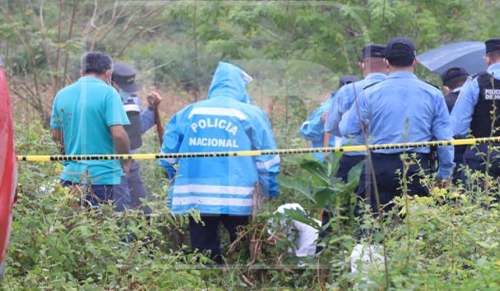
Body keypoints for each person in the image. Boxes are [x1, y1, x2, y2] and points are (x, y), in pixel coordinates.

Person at [159, 62, 280, 263]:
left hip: (196, 196)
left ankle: (206, 284)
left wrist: (177, 183)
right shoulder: (251, 114)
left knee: (203, 250)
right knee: (241, 245)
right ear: (239, 87)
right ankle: (243, 280)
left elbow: (167, 159)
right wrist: (268, 190)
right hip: (239, 195)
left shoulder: (188, 113)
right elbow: (267, 160)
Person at [340, 37, 454, 216]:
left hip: (378, 166)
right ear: (415, 62)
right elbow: (444, 139)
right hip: (417, 165)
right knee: (417, 226)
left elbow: (347, 129)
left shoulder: (369, 93)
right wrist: (444, 172)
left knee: (370, 223)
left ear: (386, 63)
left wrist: (369, 136)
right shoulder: (433, 94)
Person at [50, 51, 131, 211]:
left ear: (82, 71)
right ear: (109, 73)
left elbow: (56, 136)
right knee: (115, 232)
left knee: (74, 231)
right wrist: (126, 160)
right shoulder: (109, 93)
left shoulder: (61, 94)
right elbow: (118, 134)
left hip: (70, 178)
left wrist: (68, 160)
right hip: (106, 178)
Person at [450, 38, 500, 197]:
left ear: (487, 59)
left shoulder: (476, 82)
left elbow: (457, 128)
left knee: (481, 209)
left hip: (482, 155)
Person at [325, 44, 388, 182]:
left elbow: (330, 127)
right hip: (388, 158)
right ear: (387, 62)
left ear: (362, 65)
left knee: (347, 201)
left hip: (352, 156)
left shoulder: (347, 90)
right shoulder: (396, 90)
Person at [111, 62, 162, 213]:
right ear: (112, 84)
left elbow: (138, 129)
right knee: (118, 214)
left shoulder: (132, 101)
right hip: (110, 165)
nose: (128, 93)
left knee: (145, 212)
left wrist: (152, 108)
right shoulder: (101, 102)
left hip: (130, 165)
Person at [300, 74, 360, 162]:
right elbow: (306, 133)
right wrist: (320, 122)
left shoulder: (359, 107)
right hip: (327, 166)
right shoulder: (326, 109)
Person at [441, 67, 470, 182]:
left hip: (452, 154)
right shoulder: (477, 97)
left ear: (446, 88)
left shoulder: (443, 101)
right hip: (478, 153)